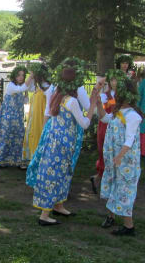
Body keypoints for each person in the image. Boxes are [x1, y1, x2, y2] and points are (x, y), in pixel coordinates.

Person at [30, 66, 102, 226]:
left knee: (60, 172)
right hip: (64, 143)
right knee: (56, 174)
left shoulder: (58, 95)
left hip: (54, 140)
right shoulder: (72, 101)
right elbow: (84, 124)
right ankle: (45, 215)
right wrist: (91, 106)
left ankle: (58, 205)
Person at [27, 57, 90, 188]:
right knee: (66, 160)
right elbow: (88, 107)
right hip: (70, 128)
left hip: (52, 125)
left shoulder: (55, 87)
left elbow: (48, 110)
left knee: (47, 156)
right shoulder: (78, 89)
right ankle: (59, 187)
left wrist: (45, 128)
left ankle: (43, 182)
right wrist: (96, 101)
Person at [97, 79, 144, 236]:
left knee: (125, 189)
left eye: (117, 93)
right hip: (115, 159)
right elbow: (104, 118)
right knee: (113, 185)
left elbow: (129, 139)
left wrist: (119, 156)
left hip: (125, 162)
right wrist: (97, 102)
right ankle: (111, 216)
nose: (115, 95)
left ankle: (129, 227)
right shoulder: (118, 112)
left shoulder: (133, 116)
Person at [89, 70, 126, 194]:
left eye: (117, 80)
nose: (115, 82)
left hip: (120, 128)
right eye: (113, 80)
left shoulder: (125, 96)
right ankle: (102, 180)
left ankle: (99, 180)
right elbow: (100, 112)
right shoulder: (106, 95)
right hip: (106, 127)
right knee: (105, 154)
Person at [0, 66, 35, 167]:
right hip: (8, 117)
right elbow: (22, 88)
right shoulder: (11, 86)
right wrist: (31, 77)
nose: (21, 77)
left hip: (18, 117)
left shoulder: (22, 86)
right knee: (5, 137)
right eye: (18, 75)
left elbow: (32, 88)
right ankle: (0, 160)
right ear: (14, 75)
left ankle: (16, 160)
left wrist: (33, 78)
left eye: (23, 75)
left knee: (18, 138)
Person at [22, 63, 50, 166]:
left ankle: (37, 158)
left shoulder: (47, 88)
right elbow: (27, 87)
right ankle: (32, 158)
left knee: (38, 133)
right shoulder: (39, 87)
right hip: (35, 115)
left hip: (41, 116)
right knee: (33, 132)